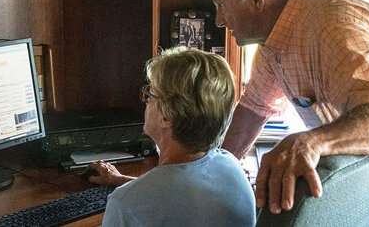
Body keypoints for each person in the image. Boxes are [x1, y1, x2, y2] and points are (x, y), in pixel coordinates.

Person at [206, 0, 369, 224]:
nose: (218, 20)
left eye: (221, 4)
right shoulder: (274, 42)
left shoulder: (332, 26)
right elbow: (253, 110)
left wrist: (311, 142)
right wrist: (216, 170)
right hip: (368, 180)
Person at [86, 47, 256, 226]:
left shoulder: (125, 205)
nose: (145, 101)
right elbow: (182, 197)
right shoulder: (232, 167)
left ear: (167, 116)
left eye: (149, 94)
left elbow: (162, 201)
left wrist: (130, 191)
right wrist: (119, 180)